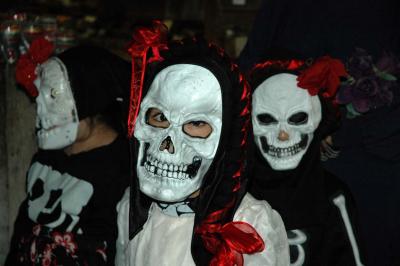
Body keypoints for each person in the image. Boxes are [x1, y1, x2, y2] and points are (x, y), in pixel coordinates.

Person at [239, 1, 400, 265]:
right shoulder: (285, 9)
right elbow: (248, 74)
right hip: (285, 166)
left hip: (373, 167)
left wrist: (341, 129)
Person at [115, 22, 289, 266]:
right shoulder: (132, 208)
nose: (167, 145)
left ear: (225, 137)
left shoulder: (249, 224)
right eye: (159, 117)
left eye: (195, 124)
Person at [6, 39, 131, 265]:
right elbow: (24, 227)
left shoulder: (121, 169)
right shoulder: (47, 157)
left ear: (91, 97)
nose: (41, 110)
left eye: (54, 96)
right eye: (40, 99)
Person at [247, 57, 365, 265]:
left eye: (297, 119)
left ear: (317, 122)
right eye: (266, 119)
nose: (283, 135)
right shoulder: (233, 194)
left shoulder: (334, 198)